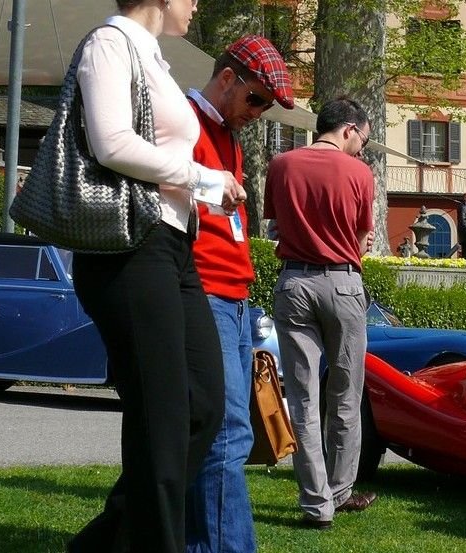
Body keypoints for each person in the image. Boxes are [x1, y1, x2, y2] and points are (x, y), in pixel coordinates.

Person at [66, 2, 247, 551]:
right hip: (128, 247)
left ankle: (103, 543)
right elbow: (112, 144)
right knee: (164, 420)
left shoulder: (157, 59)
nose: (196, 4)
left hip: (174, 245)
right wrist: (204, 178)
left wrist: (201, 189)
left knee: (204, 408)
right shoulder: (110, 44)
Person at [184, 35, 294, 553]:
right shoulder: (186, 121)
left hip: (232, 296)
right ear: (227, 78)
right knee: (229, 431)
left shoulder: (228, 134)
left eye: (266, 105)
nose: (259, 111)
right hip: (204, 291)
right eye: (256, 98)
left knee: (216, 430)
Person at [264, 97, 377, 530]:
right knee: (346, 396)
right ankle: (340, 491)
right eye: (362, 140)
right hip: (343, 283)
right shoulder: (359, 174)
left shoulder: (281, 164)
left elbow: (275, 224)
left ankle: (316, 504)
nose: (361, 150)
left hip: (294, 282)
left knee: (304, 397)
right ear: (348, 129)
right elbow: (363, 237)